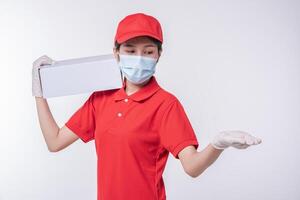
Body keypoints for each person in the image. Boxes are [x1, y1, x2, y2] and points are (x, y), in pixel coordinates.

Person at [32, 13, 262, 200]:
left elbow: (192, 167)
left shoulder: (165, 105)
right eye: (130, 50)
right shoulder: (101, 99)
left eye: (148, 51)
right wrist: (40, 93)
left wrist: (217, 144)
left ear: (159, 55)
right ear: (116, 53)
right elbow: (55, 141)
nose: (139, 57)